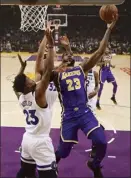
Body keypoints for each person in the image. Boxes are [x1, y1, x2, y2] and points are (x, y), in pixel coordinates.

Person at [52, 18, 117, 178]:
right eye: (64, 56)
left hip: (84, 112)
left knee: (101, 141)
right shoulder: (56, 74)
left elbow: (100, 51)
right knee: (63, 151)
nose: (67, 57)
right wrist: (51, 45)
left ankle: (94, 164)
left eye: (69, 55)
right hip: (69, 116)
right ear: (61, 61)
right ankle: (52, 164)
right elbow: (44, 69)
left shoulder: (82, 69)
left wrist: (108, 29)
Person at [13, 29, 58, 178]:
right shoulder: (39, 92)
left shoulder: (21, 97)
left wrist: (45, 38)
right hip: (41, 141)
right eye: (29, 79)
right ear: (28, 86)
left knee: (26, 173)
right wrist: (51, 45)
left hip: (27, 140)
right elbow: (48, 70)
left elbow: (39, 58)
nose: (32, 78)